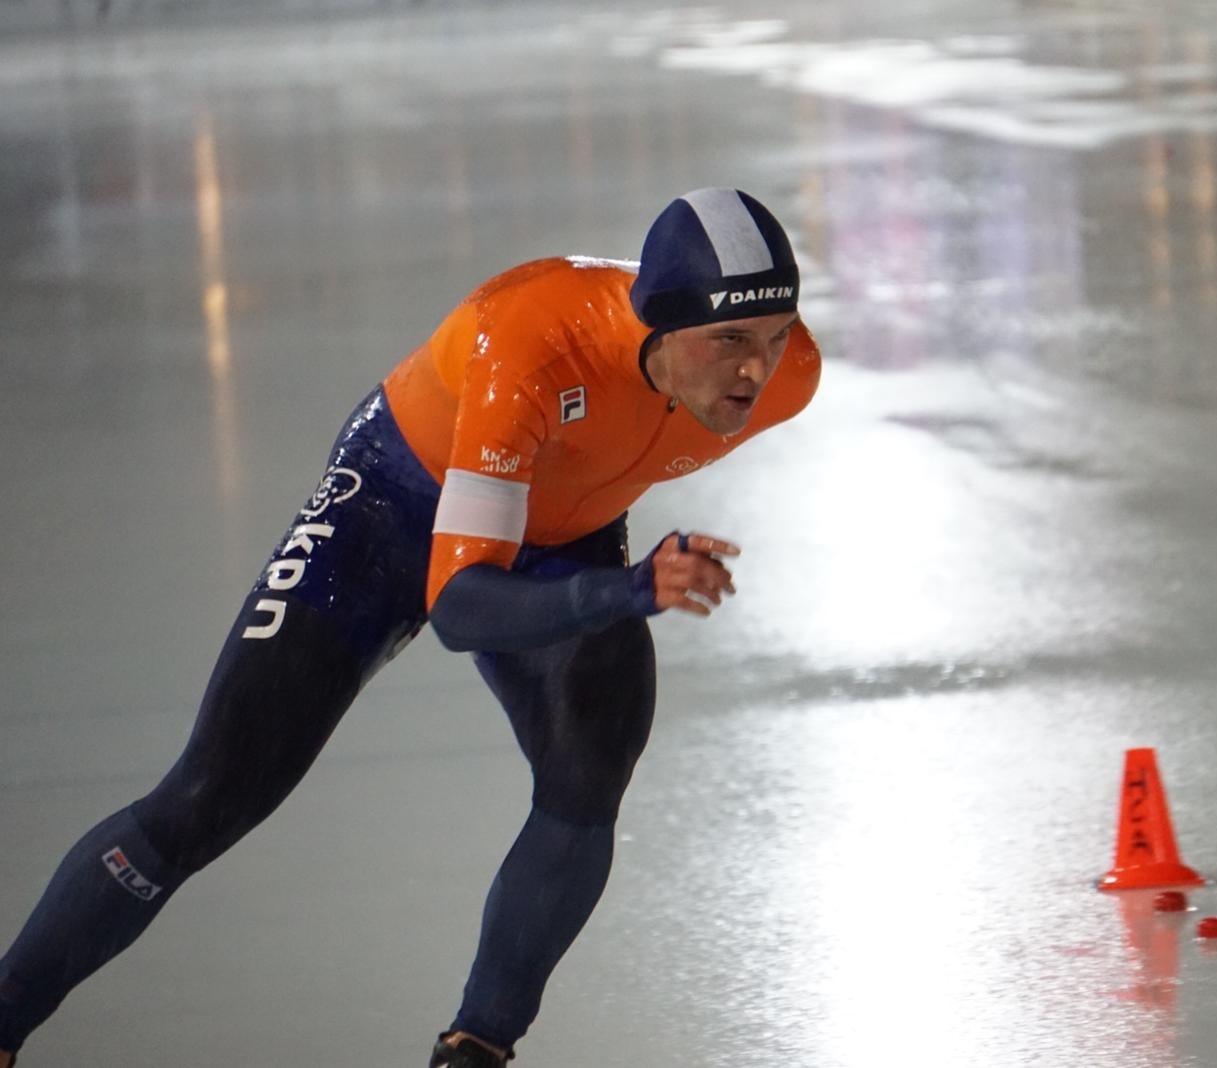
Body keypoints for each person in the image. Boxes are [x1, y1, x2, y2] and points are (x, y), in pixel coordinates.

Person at [0, 187, 821, 1068]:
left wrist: (609, 580)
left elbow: (628, 446)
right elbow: (462, 608)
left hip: (560, 528)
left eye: (773, 339)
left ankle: (475, 1051)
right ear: (658, 324)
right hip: (391, 506)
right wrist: (624, 592)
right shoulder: (532, 341)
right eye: (731, 340)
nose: (756, 371)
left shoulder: (790, 378)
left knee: (591, 768)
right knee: (212, 793)